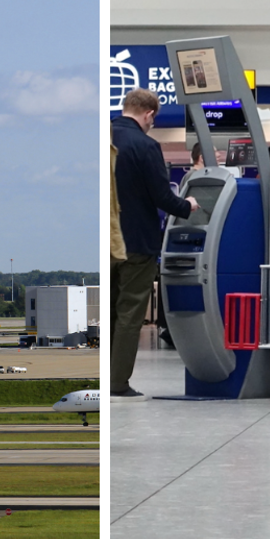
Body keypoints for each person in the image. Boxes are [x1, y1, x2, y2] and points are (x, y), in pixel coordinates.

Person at [111, 89, 199, 401]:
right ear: (149, 114)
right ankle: (118, 382)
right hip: (136, 243)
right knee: (130, 314)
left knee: (108, 312)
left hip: (106, 241)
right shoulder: (146, 145)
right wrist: (187, 205)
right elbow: (163, 198)